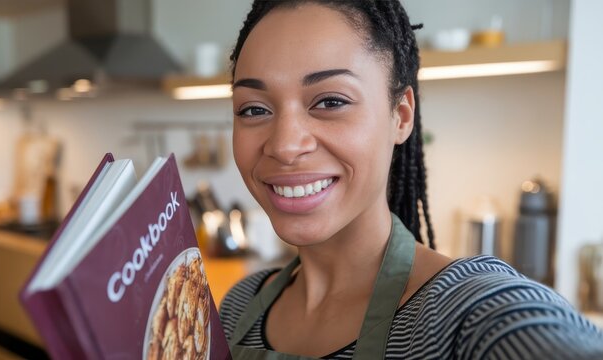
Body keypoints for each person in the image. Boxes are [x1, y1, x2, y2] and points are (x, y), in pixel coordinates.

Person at [219, 0, 603, 358]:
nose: (285, 146)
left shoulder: (466, 310)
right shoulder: (235, 309)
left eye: (330, 101)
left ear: (400, 116)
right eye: (253, 109)